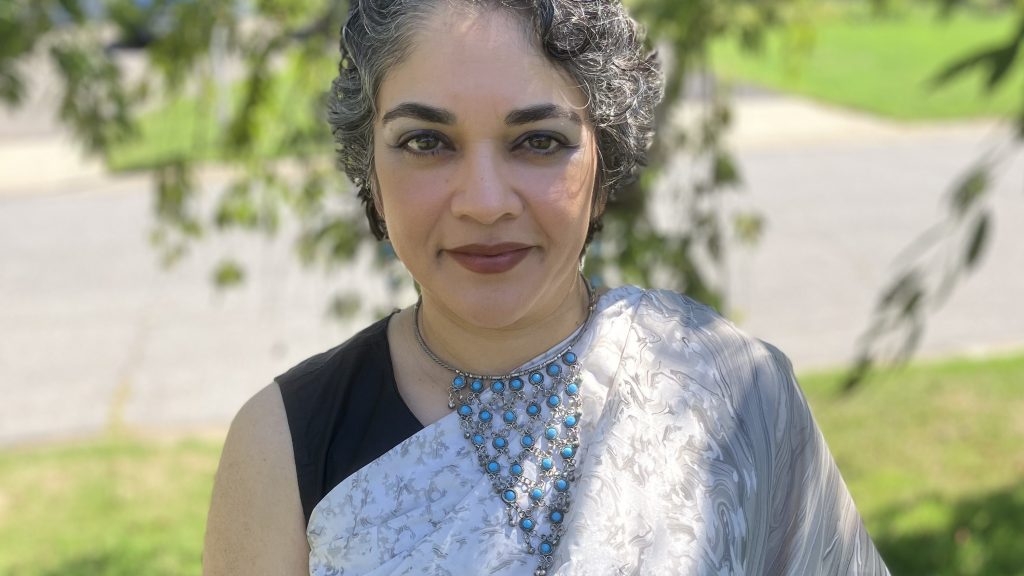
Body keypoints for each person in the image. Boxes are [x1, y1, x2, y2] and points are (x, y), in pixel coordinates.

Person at [203, 0, 891, 574]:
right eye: (425, 142)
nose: (483, 202)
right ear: (370, 173)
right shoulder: (284, 446)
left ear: (605, 159)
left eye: (537, 141)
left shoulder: (736, 392)